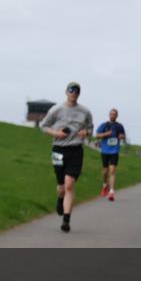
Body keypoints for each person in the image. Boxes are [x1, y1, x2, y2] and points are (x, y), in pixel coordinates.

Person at [39, 82, 94, 233]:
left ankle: (66, 220)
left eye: (76, 91)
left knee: (69, 184)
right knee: (61, 187)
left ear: (79, 94)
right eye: (71, 90)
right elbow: (43, 126)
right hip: (58, 149)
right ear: (66, 92)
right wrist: (56, 134)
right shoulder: (56, 109)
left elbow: (90, 128)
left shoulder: (85, 112)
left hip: (76, 150)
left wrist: (86, 133)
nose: (73, 93)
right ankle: (60, 199)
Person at [94, 108, 126, 201]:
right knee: (105, 171)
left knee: (112, 171)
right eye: (111, 114)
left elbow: (123, 136)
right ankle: (105, 185)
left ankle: (111, 192)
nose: (113, 115)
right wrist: (106, 134)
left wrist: (121, 136)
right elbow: (96, 135)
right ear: (109, 115)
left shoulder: (119, 126)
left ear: (117, 116)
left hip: (115, 151)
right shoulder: (104, 125)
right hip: (105, 151)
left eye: (115, 114)